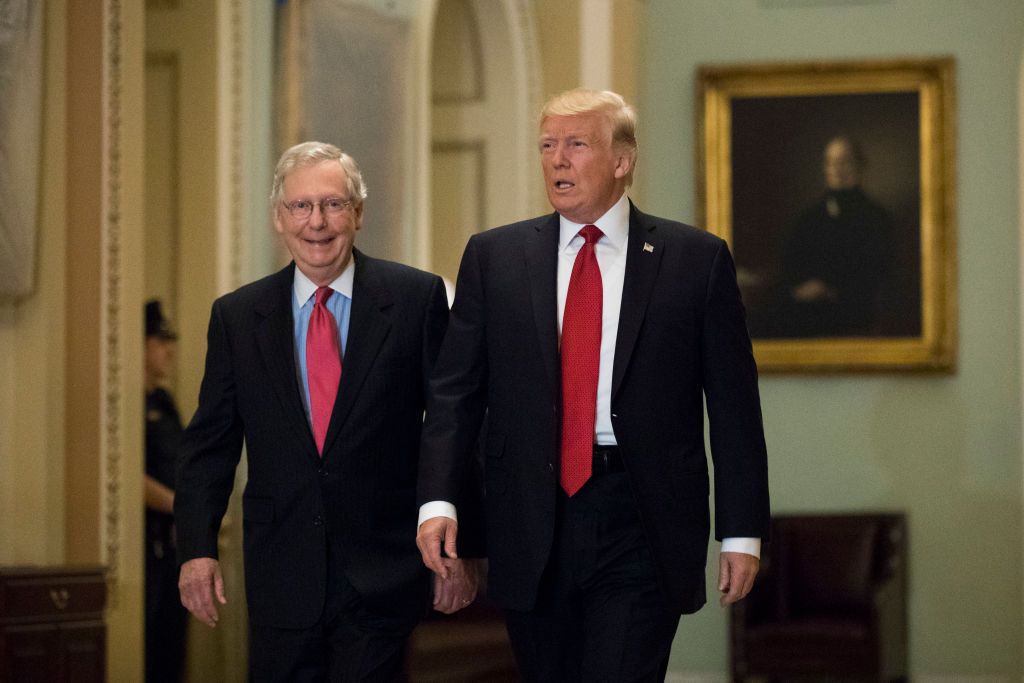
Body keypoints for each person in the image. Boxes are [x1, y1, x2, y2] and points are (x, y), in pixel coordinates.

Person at [416, 88, 770, 682]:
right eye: (548, 145)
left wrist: (741, 532)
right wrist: (439, 503)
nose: (558, 159)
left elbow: (734, 409)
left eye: (577, 144)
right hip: (530, 515)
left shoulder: (695, 260)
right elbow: (455, 395)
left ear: (622, 160)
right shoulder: (494, 257)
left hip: (641, 513)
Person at [174, 141, 478, 681]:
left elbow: (455, 428)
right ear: (279, 218)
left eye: (334, 205)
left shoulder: (415, 298)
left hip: (383, 571)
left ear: (358, 214)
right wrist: (196, 549)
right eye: (301, 206)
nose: (317, 222)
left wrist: (462, 547)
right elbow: (210, 445)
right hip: (281, 574)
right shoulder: (239, 317)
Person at [773, 135, 895, 337]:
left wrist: (831, 290)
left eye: (844, 161)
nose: (836, 168)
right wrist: (800, 290)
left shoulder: (877, 218)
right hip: (807, 315)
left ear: (859, 165)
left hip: (855, 315)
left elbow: (881, 273)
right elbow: (788, 266)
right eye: (830, 162)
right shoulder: (808, 218)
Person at [143, 299, 188, 683]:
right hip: (148, 543)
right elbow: (129, 474)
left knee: (172, 648)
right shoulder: (132, 406)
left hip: (176, 544)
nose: (169, 350)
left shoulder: (164, 401)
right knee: (150, 644)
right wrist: (179, 503)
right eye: (160, 342)